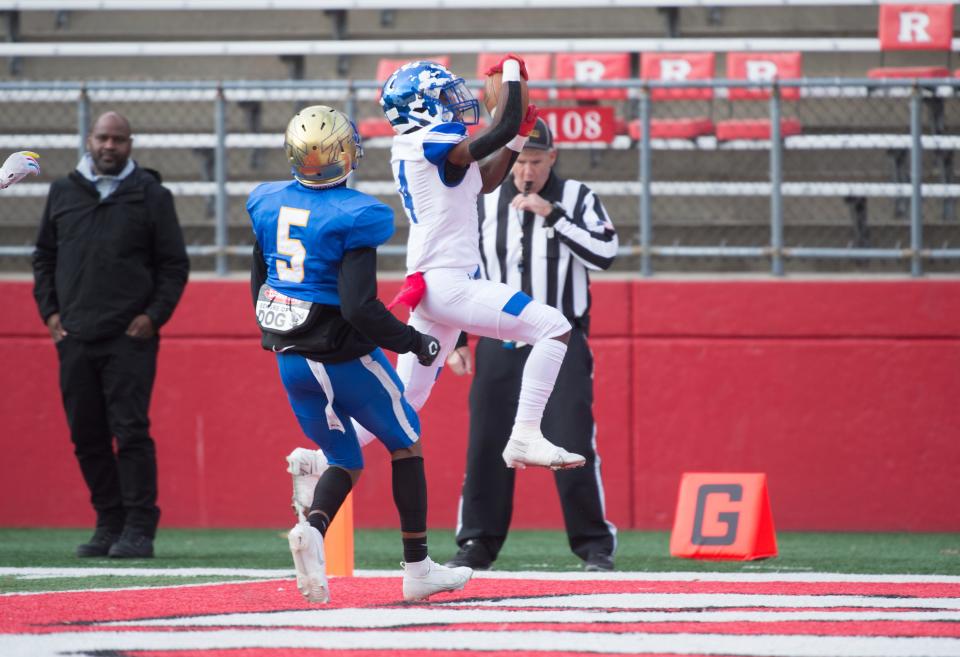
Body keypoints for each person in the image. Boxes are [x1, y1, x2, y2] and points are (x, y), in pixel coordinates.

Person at [247, 105, 472, 604]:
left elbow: (260, 280)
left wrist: (279, 332)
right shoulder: (357, 214)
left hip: (290, 358)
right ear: (346, 154)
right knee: (406, 442)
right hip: (342, 357)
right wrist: (417, 342)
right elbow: (360, 307)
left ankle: (313, 531)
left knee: (345, 458)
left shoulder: (265, 201)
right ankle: (418, 568)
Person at [376, 56, 585, 470]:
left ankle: (319, 460)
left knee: (404, 401)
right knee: (554, 328)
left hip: (434, 284)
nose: (457, 101)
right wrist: (509, 71)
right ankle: (525, 435)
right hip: (448, 283)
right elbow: (500, 127)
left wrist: (518, 137)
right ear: (420, 105)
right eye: (443, 96)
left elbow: (486, 181)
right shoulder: (426, 142)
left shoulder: (430, 150)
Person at [445, 118, 620, 572]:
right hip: (502, 339)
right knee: (487, 441)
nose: (527, 172)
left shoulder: (577, 197)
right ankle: (477, 543)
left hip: (562, 340)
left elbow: (605, 254)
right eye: (521, 161)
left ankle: (594, 546)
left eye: (536, 162)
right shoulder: (483, 200)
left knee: (573, 438)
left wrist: (553, 216)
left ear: (552, 158)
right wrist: (459, 337)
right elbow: (462, 269)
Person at [32, 112, 189, 559]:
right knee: (87, 434)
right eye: (103, 138)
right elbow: (43, 257)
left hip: (130, 337)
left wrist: (152, 317)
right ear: (89, 139)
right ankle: (109, 522)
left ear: (130, 144)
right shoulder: (63, 192)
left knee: (131, 431)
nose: (109, 146)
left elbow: (174, 266)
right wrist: (51, 314)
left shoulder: (152, 195)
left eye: (118, 140)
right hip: (75, 335)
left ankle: (139, 527)